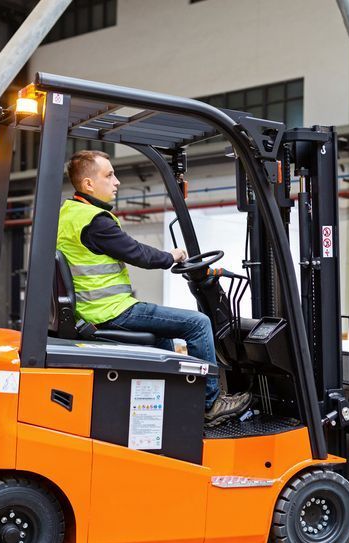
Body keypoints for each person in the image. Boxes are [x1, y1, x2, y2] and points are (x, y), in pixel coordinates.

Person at [57, 150, 250, 426]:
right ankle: (210, 404)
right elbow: (138, 254)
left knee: (163, 337)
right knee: (198, 323)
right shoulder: (95, 221)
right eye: (109, 175)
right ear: (88, 185)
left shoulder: (70, 214)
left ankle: (173, 401)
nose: (117, 181)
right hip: (109, 311)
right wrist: (171, 257)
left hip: (93, 309)